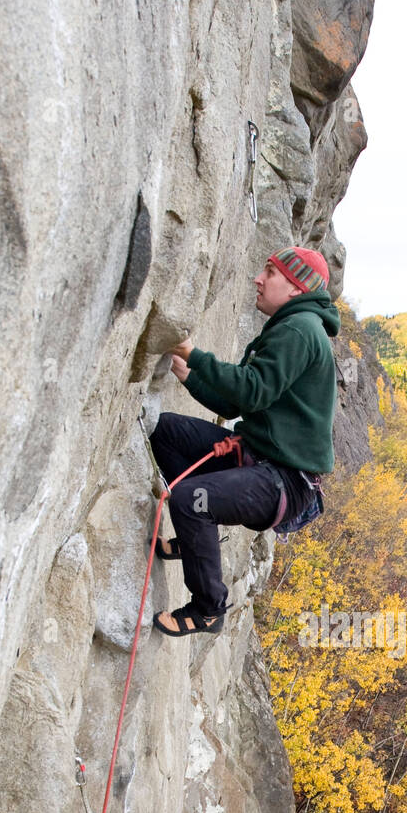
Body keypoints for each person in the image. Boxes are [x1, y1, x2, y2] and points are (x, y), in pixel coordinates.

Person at [150, 246, 340, 638]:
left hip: (284, 481)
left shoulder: (300, 328)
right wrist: (188, 372)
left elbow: (250, 392)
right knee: (166, 431)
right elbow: (235, 400)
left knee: (190, 499)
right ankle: (194, 542)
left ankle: (207, 610)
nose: (258, 277)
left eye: (270, 272)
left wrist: (195, 354)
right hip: (258, 460)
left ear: (295, 287)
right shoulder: (294, 326)